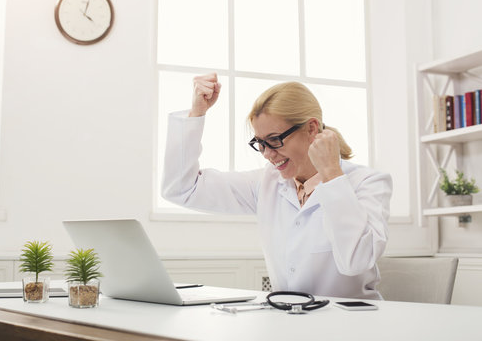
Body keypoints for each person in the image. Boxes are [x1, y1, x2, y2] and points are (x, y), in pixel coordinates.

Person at [162, 73, 392, 300]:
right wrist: (196, 113)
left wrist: (331, 173)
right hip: (286, 323)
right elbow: (181, 189)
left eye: (274, 140)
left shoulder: (368, 183)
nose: (268, 154)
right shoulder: (266, 183)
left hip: (351, 328)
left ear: (312, 128)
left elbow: (355, 261)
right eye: (260, 143)